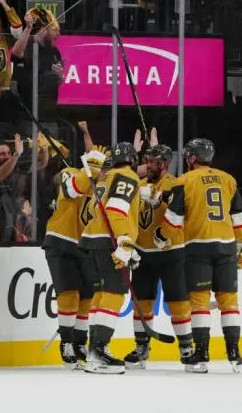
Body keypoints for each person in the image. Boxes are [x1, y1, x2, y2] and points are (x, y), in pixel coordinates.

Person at [163, 138, 242, 373]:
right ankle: (233, 351)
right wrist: (240, 247)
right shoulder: (228, 179)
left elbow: (172, 222)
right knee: (229, 302)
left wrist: (165, 235)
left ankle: (202, 353)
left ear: (191, 158)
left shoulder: (184, 180)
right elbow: (240, 220)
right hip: (227, 247)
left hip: (198, 247)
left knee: (199, 303)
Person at [125, 144, 192, 370]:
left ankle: (186, 347)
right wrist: (130, 244)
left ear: (164, 164)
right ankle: (141, 347)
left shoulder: (175, 184)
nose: (147, 166)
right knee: (141, 303)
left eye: (152, 162)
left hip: (171, 252)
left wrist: (162, 198)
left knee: (178, 302)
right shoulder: (140, 185)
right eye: (147, 161)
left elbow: (181, 213)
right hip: (143, 253)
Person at [78, 141, 141, 375]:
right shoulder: (127, 176)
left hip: (92, 239)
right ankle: (98, 351)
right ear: (132, 160)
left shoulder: (105, 178)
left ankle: (94, 350)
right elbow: (116, 210)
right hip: (109, 240)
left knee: (101, 294)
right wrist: (125, 242)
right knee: (113, 294)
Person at [41, 148, 105, 368]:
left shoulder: (103, 185)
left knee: (87, 296)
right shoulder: (71, 172)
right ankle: (67, 343)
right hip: (60, 241)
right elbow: (70, 188)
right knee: (68, 294)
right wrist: (90, 170)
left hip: (84, 245)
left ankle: (79, 343)